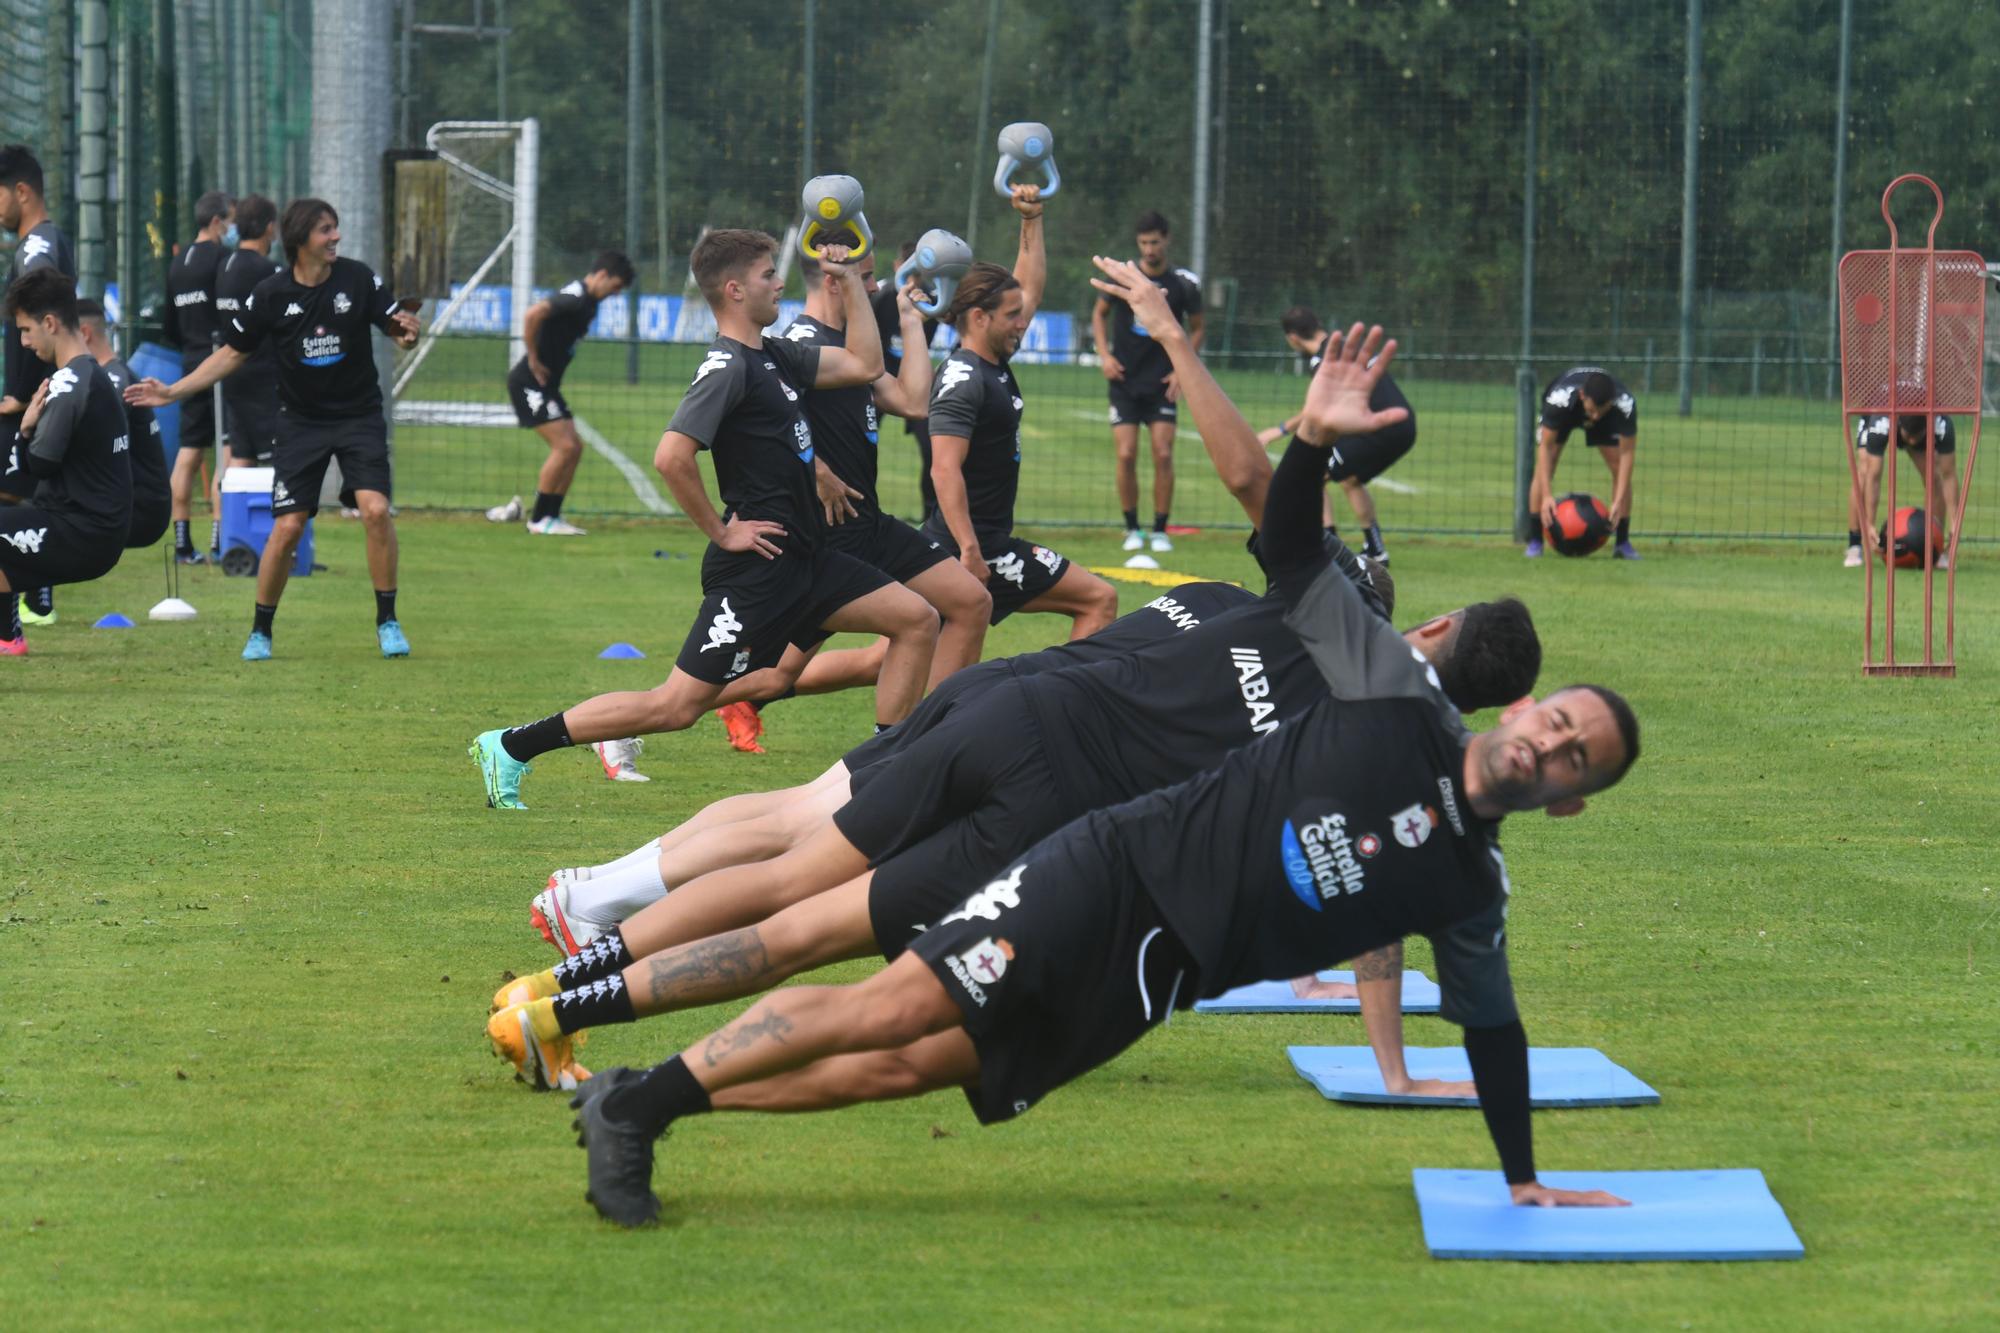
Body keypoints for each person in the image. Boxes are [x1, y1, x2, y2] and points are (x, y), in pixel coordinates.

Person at [544, 329, 1641, 1228]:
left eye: (1571, 756)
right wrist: (1309, 438)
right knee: (884, 998)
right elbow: (1296, 538)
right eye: (1555, 722)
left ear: (1572, 797)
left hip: (1157, 977)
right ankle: (641, 1104)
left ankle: (629, 1095)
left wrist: (1519, 1176)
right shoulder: (1389, 697)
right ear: (1517, 712)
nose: (1548, 746)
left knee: (907, 1065)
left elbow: (1493, 1031)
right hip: (1112, 869)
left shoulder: (1467, 884)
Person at [466, 231, 940, 810]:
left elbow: (865, 362)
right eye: (769, 275)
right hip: (756, 568)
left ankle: (885, 767)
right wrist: (722, 530)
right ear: (737, 290)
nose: (780, 283)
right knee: (675, 707)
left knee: (917, 619)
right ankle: (511, 745)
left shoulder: (776, 354)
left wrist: (848, 283)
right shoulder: (727, 368)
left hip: (809, 557)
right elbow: (671, 456)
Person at [127, 197, 422, 661]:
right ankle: (261, 630)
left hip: (357, 416)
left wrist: (407, 332)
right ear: (300, 239)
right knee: (286, 528)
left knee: (375, 510)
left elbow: (396, 326)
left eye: (336, 228)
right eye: (326, 230)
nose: (336, 237)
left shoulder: (358, 278)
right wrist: (173, 391)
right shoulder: (271, 293)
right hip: (300, 423)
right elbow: (229, 354)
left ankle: (388, 621)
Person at [926, 185, 1118, 640]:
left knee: (888, 657)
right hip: (973, 548)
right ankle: (1066, 704)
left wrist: (1030, 220)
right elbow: (944, 470)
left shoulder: (990, 358)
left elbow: (1028, 285)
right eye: (1013, 315)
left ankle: (754, 692)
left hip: (973, 543)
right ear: (978, 317)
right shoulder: (965, 380)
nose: (1024, 321)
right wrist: (971, 552)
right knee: (1099, 599)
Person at [0, 269, 132, 653]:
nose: (23, 342)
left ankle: (10, 636)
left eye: (26, 330)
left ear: (50, 323)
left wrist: (24, 431)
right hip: (91, 525)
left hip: (84, 531)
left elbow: (38, 464)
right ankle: (9, 638)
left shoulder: (69, 383)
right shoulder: (86, 375)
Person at [485, 250, 637, 535]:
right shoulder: (576, 298)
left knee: (574, 448)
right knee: (565, 446)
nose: (615, 294)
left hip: (547, 386)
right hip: (529, 383)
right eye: (615, 287)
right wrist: (532, 357)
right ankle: (540, 520)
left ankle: (550, 516)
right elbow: (533, 314)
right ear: (602, 275)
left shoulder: (587, 300)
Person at [1256, 306, 1414, 566]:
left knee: (1313, 473)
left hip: (1374, 428)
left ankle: (1329, 549)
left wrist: (1278, 430)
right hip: (1404, 425)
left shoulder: (1324, 360)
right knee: (1349, 479)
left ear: (1293, 338)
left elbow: (1316, 412)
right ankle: (1375, 549)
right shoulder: (1346, 347)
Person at [1090, 211, 1203, 554]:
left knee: (1163, 453)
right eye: (1143, 243)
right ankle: (1132, 529)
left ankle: (1159, 529)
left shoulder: (1182, 284)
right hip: (1124, 380)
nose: (1149, 249)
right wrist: (1104, 356)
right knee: (1125, 454)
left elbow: (1197, 328)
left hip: (1161, 384)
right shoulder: (1126, 278)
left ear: (1166, 240)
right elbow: (1099, 314)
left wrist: (1182, 368)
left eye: (1154, 242)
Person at [0, 143, 77, 637]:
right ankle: (26, 610)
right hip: (34, 397)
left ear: (21, 192)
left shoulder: (35, 249)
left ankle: (14, 626)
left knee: (17, 503)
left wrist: (22, 394)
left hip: (28, 401)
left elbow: (43, 323)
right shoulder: (46, 242)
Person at [162, 190, 235, 564]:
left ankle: (181, 543)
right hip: (218, 363)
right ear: (218, 221)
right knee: (226, 455)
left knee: (188, 454)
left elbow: (169, 325)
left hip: (190, 360)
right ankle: (220, 540)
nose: (233, 228)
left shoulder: (177, 265)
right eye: (231, 220)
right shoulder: (223, 259)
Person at [76, 298, 169, 552]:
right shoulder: (111, 375)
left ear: (84, 334)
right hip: (136, 504)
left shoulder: (115, 379)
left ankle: (34, 592)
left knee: (46, 522)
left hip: (139, 510)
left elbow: (103, 446)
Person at [1526, 366, 1637, 560]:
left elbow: (1627, 453)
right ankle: (1536, 542)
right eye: (1592, 410)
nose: (1594, 417)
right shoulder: (1558, 401)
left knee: (1618, 467)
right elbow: (1544, 447)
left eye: (1600, 412)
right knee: (1546, 467)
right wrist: (1546, 496)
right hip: (1567, 413)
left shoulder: (1624, 404)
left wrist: (1618, 500)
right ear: (1583, 395)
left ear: (1611, 403)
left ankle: (1622, 543)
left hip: (1605, 414)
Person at [212, 195, 285, 476]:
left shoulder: (225, 266)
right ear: (269, 227)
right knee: (279, 462)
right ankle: (283, 520)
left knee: (241, 459)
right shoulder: (267, 271)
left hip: (233, 376)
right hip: (262, 378)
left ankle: (229, 521)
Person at [1846, 414, 1960, 569]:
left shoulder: (1942, 424)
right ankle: (1854, 545)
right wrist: (1870, 523)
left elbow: (1949, 475)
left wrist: (1955, 522)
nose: (1912, 441)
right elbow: (1875, 478)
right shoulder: (1881, 422)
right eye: (1909, 436)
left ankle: (1936, 548)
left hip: (1918, 419)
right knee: (1865, 473)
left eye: (1916, 437)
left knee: (1934, 478)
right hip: (1878, 411)